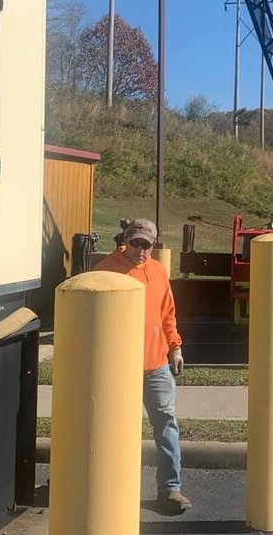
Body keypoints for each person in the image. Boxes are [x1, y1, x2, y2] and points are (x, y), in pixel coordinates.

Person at [92, 218, 191, 514]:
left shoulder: (158, 271)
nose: (141, 250)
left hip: (156, 365)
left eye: (146, 245)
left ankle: (170, 489)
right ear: (125, 240)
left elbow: (167, 313)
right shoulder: (104, 271)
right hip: (118, 368)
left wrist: (175, 347)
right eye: (135, 243)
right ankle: (106, 487)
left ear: (154, 245)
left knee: (166, 425)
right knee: (112, 428)